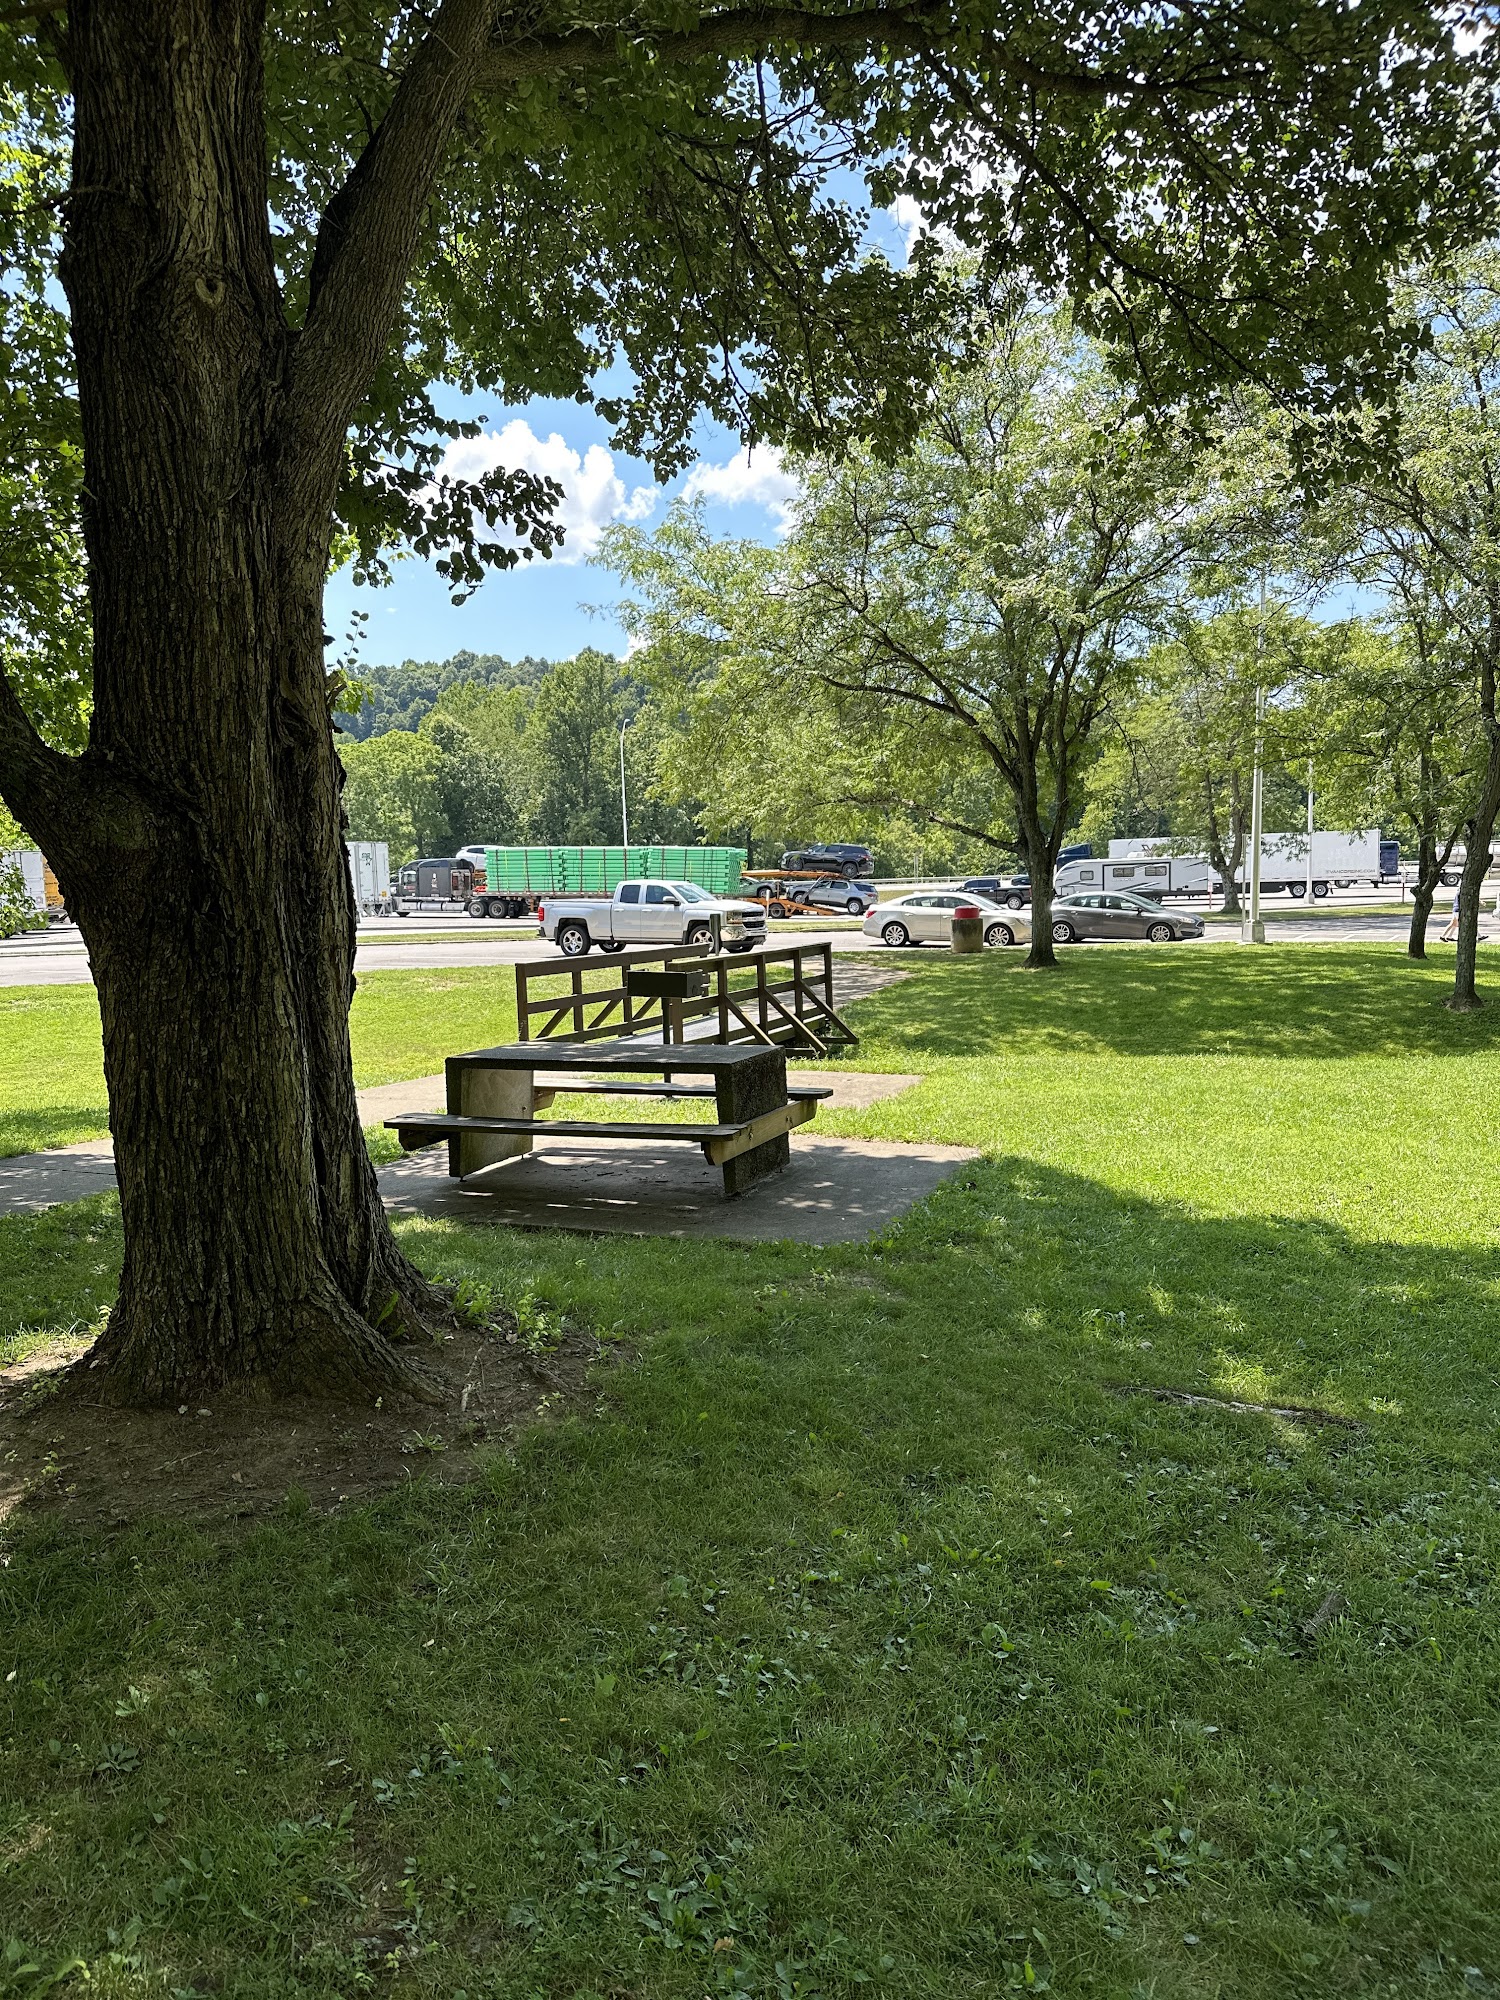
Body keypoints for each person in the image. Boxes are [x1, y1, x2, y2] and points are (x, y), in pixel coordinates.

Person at [1441, 879, 1463, 943]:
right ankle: (1443, 936)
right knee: (1455, 923)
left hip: (1455, 909)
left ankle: (1448, 936)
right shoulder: (1461, 893)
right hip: (1457, 909)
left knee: (1454, 924)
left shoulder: (1458, 892)